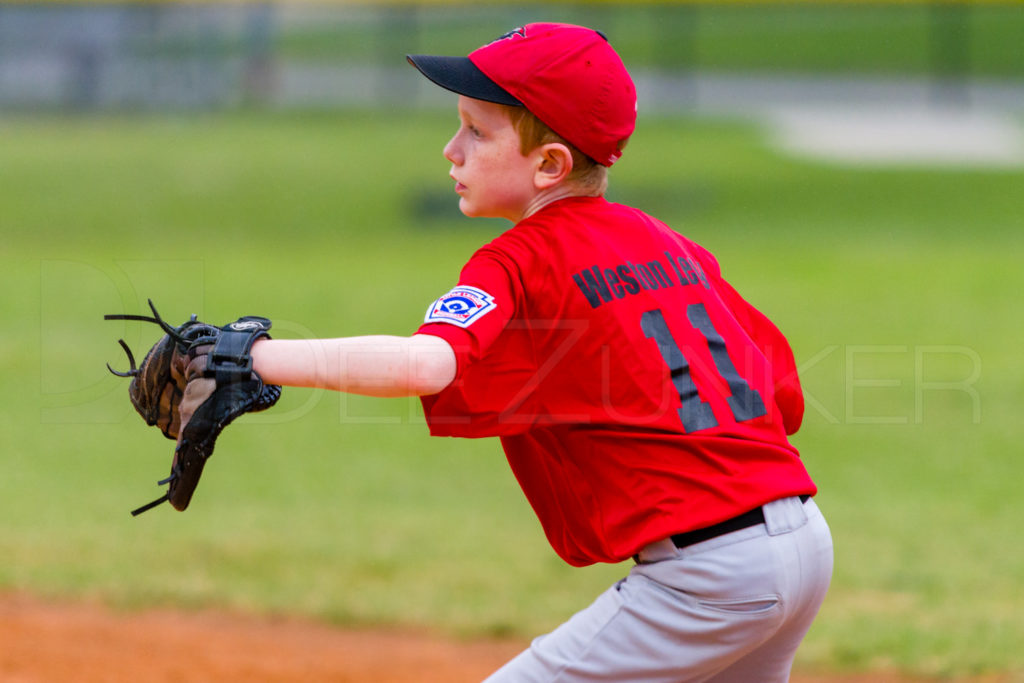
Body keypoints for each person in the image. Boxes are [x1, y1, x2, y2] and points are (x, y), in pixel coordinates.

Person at [251, 22, 833, 683]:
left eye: (476, 131)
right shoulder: (666, 242)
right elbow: (782, 397)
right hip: (804, 539)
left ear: (550, 164)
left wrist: (256, 356)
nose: (451, 150)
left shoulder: (519, 257)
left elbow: (427, 363)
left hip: (704, 576)